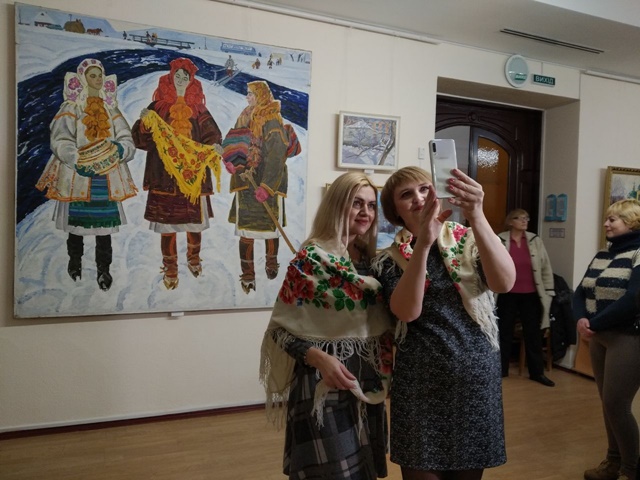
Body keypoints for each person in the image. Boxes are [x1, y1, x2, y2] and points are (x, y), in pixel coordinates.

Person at [372, 166, 515, 480]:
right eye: (406, 194)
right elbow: (407, 312)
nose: (419, 198)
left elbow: (504, 283)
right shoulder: (388, 259)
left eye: (425, 188)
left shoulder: (471, 240)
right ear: (395, 211)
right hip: (419, 387)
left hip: (474, 383)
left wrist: (476, 214)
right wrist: (423, 245)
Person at [259, 172, 394, 480]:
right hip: (322, 383)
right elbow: (279, 331)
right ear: (336, 205)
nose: (365, 212)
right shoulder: (310, 259)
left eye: (370, 205)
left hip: (367, 383)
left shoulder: (372, 263)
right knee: (330, 472)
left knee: (361, 471)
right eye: (356, 203)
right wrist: (320, 358)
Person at [36, 58, 138, 291]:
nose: (98, 79)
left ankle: (104, 270)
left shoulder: (110, 109)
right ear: (83, 78)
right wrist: (75, 157)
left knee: (104, 229)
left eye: (100, 75)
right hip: (78, 176)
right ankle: (75, 263)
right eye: (93, 75)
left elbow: (125, 137)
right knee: (77, 226)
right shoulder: (71, 108)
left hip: (106, 175)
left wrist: (121, 149)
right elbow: (60, 138)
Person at [132, 57, 223, 290]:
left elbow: (212, 135)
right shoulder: (157, 108)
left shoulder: (199, 110)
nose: (181, 79)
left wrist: (214, 146)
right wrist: (144, 123)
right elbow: (141, 141)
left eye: (186, 76)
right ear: (171, 77)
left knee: (194, 223)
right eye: (178, 76)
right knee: (167, 226)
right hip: (164, 177)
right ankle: (170, 267)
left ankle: (194, 258)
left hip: (192, 177)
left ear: (191, 80)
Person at [573, 199, 640, 480]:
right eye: (607, 219)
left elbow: (634, 299)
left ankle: (631, 469)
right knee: (607, 404)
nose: (606, 224)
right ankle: (613, 462)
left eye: (613, 219)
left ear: (632, 222)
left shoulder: (638, 253)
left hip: (628, 337)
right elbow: (580, 291)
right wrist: (580, 319)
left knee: (616, 405)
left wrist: (594, 323)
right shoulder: (603, 253)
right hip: (598, 337)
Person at [222, 80, 301, 294]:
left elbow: (277, 156)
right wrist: (231, 161)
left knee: (270, 230)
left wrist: (266, 186)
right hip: (246, 182)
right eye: (247, 93)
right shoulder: (245, 116)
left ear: (262, 96)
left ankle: (271, 263)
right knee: (246, 231)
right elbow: (235, 144)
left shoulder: (272, 121)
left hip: (267, 184)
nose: (248, 97)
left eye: (251, 94)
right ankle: (248, 274)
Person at [496, 208, 556, 386]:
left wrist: (549, 291)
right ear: (510, 221)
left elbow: (545, 267)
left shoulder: (535, 240)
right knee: (504, 333)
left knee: (533, 334)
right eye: (520, 218)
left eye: (526, 218)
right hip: (506, 294)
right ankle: (501, 370)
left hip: (531, 294)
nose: (524, 221)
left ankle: (537, 372)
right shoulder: (500, 239)